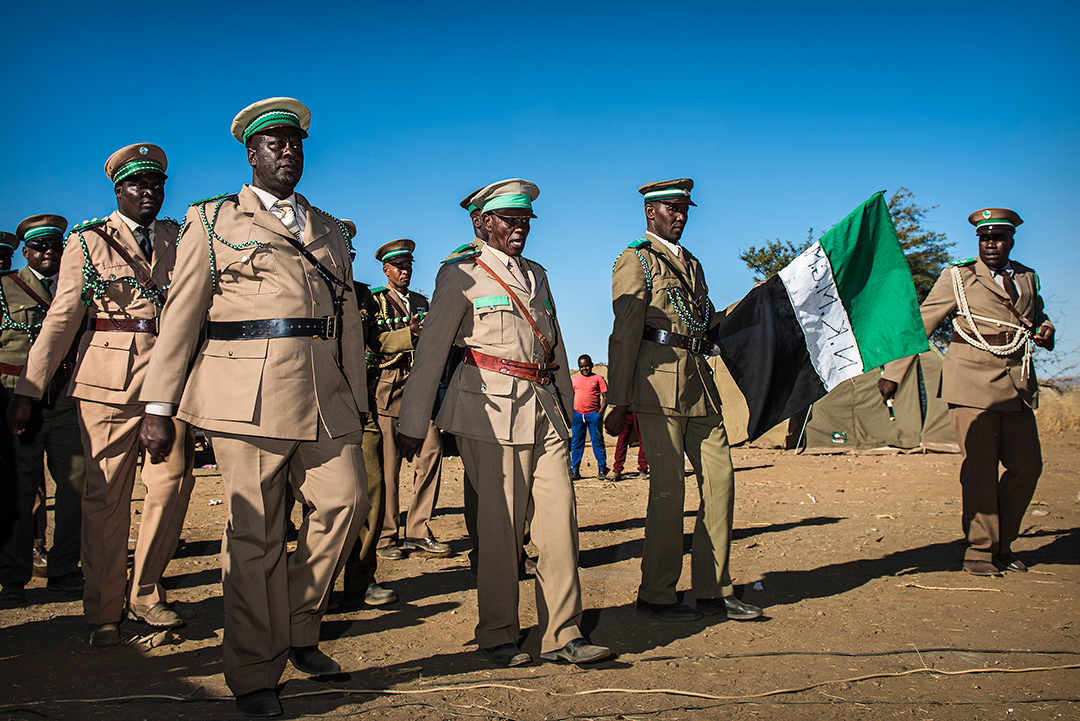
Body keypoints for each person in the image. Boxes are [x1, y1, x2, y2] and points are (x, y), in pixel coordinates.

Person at [138, 97, 368, 718]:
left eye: (295, 143)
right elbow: (182, 315)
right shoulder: (213, 222)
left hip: (326, 392)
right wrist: (160, 403)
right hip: (247, 395)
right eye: (274, 144)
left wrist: (360, 396)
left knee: (345, 502)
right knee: (254, 534)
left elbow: (348, 323)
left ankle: (297, 622)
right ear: (252, 153)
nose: (287, 152)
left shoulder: (327, 226)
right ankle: (253, 670)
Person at [397, 179, 610, 667]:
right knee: (500, 529)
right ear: (482, 222)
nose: (519, 229)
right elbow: (431, 353)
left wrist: (564, 406)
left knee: (560, 524)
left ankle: (564, 633)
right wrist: (413, 420)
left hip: (545, 409)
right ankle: (497, 632)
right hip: (489, 411)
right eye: (508, 221)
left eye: (524, 221)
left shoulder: (537, 275)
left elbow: (552, 348)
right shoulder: (460, 274)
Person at [7, 145, 196, 646]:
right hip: (106, 382)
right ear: (119, 190)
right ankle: (102, 608)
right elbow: (62, 318)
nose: (149, 193)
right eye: (138, 185)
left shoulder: (179, 237)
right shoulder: (87, 241)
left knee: (173, 485)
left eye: (156, 185)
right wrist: (29, 388)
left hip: (171, 382)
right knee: (104, 497)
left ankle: (147, 592)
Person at [605, 178, 762, 623]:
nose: (680, 215)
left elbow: (703, 321)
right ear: (650, 212)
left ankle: (714, 588)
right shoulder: (634, 260)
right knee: (669, 493)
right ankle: (657, 594)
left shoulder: (692, 263)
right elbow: (625, 332)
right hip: (656, 387)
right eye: (671, 208)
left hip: (699, 385)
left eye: (685, 209)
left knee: (721, 483)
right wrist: (618, 399)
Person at [879, 207, 1054, 577]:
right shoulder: (958, 276)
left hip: (1017, 383)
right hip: (970, 381)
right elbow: (923, 322)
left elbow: (1036, 315)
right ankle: (979, 550)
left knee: (1027, 466)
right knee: (980, 469)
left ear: (1011, 241)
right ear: (978, 241)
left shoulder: (1026, 277)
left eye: (998, 238)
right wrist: (893, 373)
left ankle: (1003, 542)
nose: (990, 244)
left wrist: (1046, 328)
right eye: (984, 238)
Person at [0, 216, 86, 603]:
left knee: (75, 486)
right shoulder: (5, 290)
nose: (49, 252)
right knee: (18, 491)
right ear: (26, 251)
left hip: (66, 401)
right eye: (40, 247)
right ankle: (13, 577)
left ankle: (64, 568)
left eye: (55, 246)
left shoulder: (80, 288)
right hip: (16, 401)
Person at [369, 239, 448, 559]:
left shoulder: (421, 301)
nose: (405, 271)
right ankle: (387, 537)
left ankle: (418, 529)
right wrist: (409, 336)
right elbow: (373, 342)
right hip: (389, 389)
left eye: (409, 265)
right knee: (389, 468)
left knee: (432, 451)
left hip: (418, 391)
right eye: (399, 266)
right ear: (386, 269)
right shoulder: (376, 302)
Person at [570, 354, 608, 479]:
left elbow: (606, 398)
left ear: (591, 365)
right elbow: (570, 397)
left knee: (597, 442)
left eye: (586, 366)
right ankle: (575, 470)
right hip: (578, 415)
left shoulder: (598, 378)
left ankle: (602, 469)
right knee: (576, 443)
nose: (584, 369)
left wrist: (599, 414)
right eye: (581, 367)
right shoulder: (575, 380)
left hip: (593, 415)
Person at [610, 410, 648, 482]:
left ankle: (643, 469)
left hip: (640, 411)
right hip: (626, 412)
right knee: (622, 441)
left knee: (643, 440)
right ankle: (617, 469)